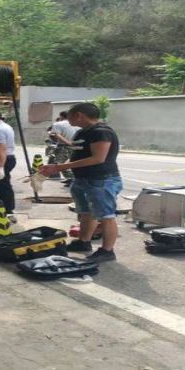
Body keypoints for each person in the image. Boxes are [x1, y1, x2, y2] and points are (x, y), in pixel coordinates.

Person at [39, 103, 122, 263]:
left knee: (106, 216)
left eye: (69, 115)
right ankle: (84, 242)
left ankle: (107, 250)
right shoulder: (82, 132)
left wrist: (60, 167)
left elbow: (98, 158)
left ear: (79, 115)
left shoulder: (101, 132)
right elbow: (78, 153)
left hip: (101, 179)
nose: (67, 119)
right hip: (83, 179)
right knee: (86, 212)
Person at [48, 111, 80, 186]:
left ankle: (74, 180)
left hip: (64, 147)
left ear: (61, 116)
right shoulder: (78, 125)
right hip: (77, 146)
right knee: (73, 163)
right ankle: (71, 179)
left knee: (61, 165)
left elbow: (55, 135)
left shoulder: (58, 124)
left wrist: (68, 142)